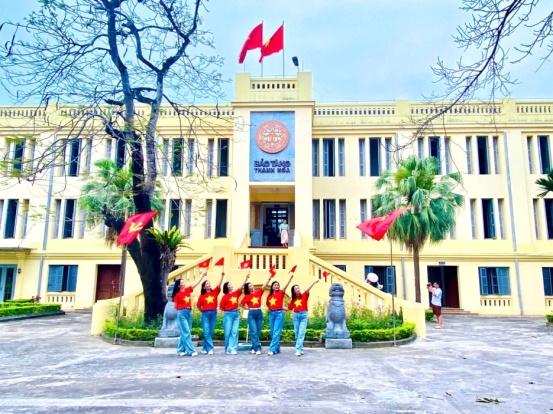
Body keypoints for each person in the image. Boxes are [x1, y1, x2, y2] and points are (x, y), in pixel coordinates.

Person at [173, 272, 206, 357]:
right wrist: (182, 309)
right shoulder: (177, 295)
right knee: (186, 332)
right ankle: (191, 351)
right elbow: (175, 306)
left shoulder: (187, 290)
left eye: (183, 282)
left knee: (186, 332)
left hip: (189, 312)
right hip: (182, 313)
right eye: (182, 282)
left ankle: (180, 350)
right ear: (179, 285)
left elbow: (195, 284)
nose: (184, 283)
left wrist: (201, 276)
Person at [240, 272, 272, 355]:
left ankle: (253, 347)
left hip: (258, 312)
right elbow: (241, 304)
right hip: (251, 313)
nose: (252, 286)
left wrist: (269, 278)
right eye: (250, 286)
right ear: (248, 289)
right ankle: (257, 348)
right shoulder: (246, 296)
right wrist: (247, 308)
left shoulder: (258, 292)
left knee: (258, 330)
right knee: (253, 330)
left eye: (251, 285)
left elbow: (264, 286)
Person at [288, 278, 320, 356]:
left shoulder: (304, 295)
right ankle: (301, 349)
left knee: (301, 333)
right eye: (296, 289)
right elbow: (289, 308)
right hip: (296, 316)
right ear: (294, 291)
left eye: (298, 288)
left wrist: (314, 282)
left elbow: (308, 289)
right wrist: (279, 307)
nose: (298, 289)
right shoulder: (293, 300)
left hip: (303, 315)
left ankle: (298, 350)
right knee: (297, 334)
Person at [219, 274, 250, 355]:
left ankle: (233, 348)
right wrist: (226, 311)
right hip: (228, 314)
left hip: (236, 314)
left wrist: (246, 278)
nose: (231, 285)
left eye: (231, 284)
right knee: (228, 332)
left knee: (235, 332)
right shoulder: (225, 297)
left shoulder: (235, 293)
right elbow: (221, 307)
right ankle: (228, 349)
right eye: (229, 285)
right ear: (227, 287)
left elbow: (241, 287)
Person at [266, 272, 294, 355]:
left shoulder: (281, 292)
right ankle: (277, 349)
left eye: (278, 285)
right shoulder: (269, 296)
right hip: (271, 314)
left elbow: (286, 286)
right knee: (272, 332)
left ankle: (272, 349)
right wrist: (271, 310)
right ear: (272, 287)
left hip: (279, 314)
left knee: (276, 332)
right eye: (275, 285)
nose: (276, 286)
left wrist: (290, 279)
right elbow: (268, 305)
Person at [196, 270, 224, 355]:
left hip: (213, 313)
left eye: (209, 283)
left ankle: (205, 348)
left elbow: (219, 285)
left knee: (210, 332)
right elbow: (198, 305)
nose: (209, 284)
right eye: (207, 284)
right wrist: (202, 311)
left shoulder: (214, 292)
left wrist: (222, 276)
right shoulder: (202, 296)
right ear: (204, 287)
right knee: (206, 331)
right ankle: (210, 348)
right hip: (205, 314)